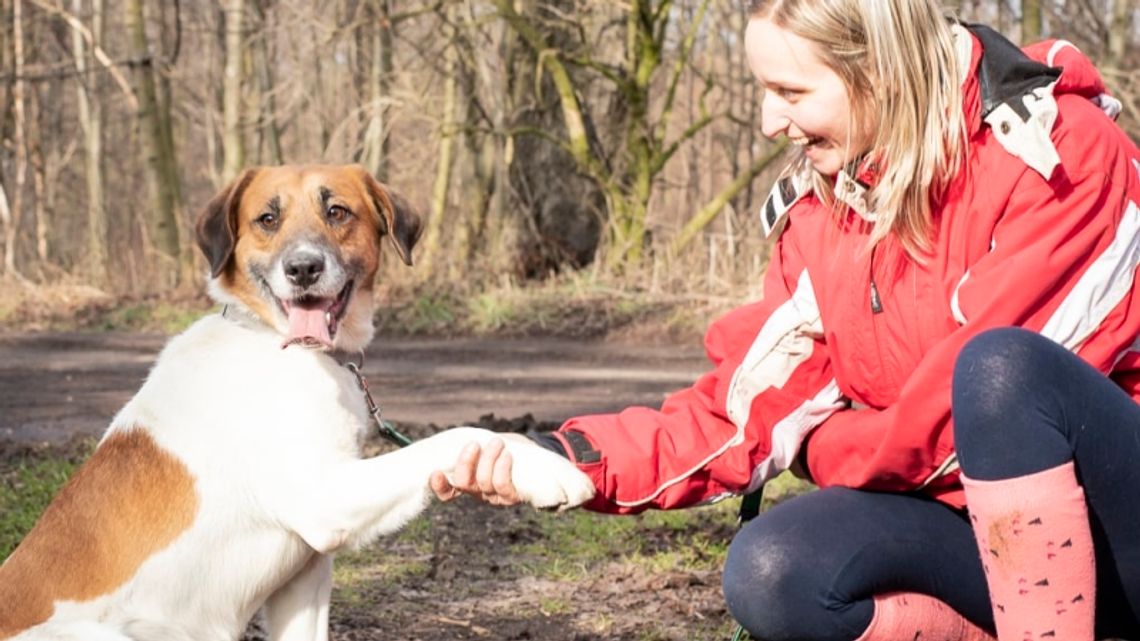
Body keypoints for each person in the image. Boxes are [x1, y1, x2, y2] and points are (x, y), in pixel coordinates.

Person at [430, 0, 1140, 639]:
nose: (770, 122)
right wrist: (568, 459)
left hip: (1120, 535)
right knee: (774, 569)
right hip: (993, 538)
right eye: (764, 91)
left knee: (998, 371)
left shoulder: (1059, 154)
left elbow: (965, 423)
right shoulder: (822, 208)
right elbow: (743, 412)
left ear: (883, 74)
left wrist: (824, 446)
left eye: (791, 93)